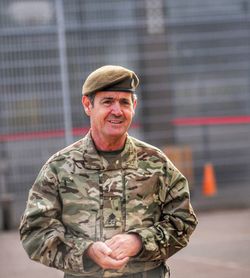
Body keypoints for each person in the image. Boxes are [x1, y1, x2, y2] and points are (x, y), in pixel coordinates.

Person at [19, 65, 197, 278]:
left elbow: (183, 220)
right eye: (107, 101)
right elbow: (34, 232)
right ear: (87, 105)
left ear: (135, 106)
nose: (117, 111)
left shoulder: (156, 164)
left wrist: (140, 241)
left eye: (124, 102)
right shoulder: (59, 168)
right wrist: (86, 251)